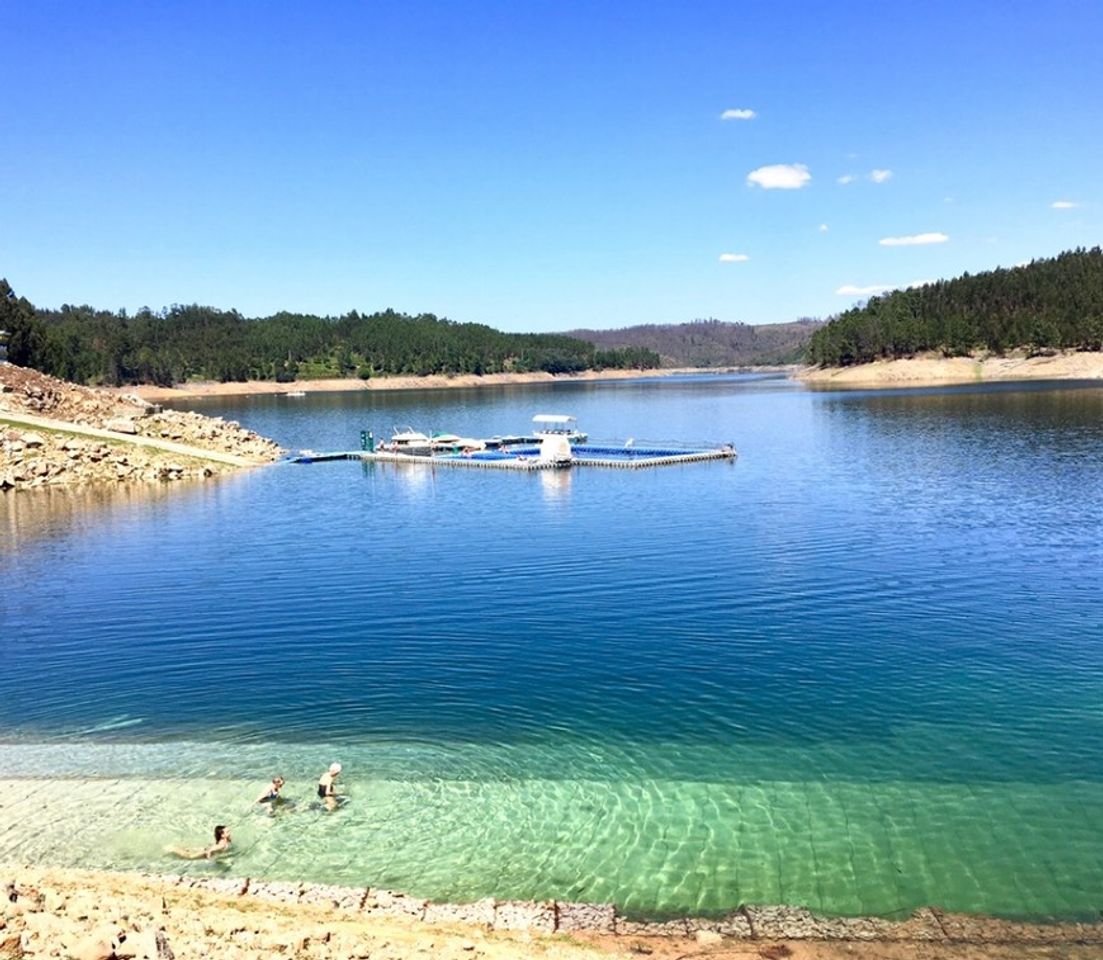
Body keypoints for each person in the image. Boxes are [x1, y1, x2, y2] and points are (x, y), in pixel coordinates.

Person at [166, 825, 232, 860]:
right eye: (228, 832)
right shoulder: (222, 844)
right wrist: (209, 854)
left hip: (205, 849)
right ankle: (172, 849)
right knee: (189, 856)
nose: (230, 833)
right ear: (222, 835)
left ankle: (174, 847)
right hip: (204, 852)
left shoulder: (224, 841)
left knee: (188, 850)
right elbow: (212, 849)